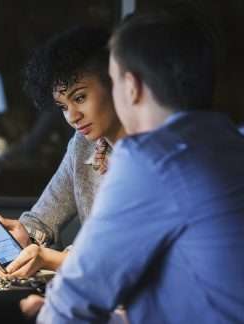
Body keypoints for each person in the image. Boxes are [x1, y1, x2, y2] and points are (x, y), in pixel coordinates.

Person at [22, 10, 244, 323]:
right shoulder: (228, 141)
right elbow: (187, 294)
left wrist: (51, 310)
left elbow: (75, 302)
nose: (73, 115)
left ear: (130, 86)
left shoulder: (152, 158)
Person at [0, 25, 126, 277]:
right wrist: (26, 236)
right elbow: (43, 217)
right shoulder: (84, 144)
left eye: (79, 98)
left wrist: (49, 258)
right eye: (62, 106)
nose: (73, 117)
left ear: (115, 83)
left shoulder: (150, 157)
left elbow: (118, 259)